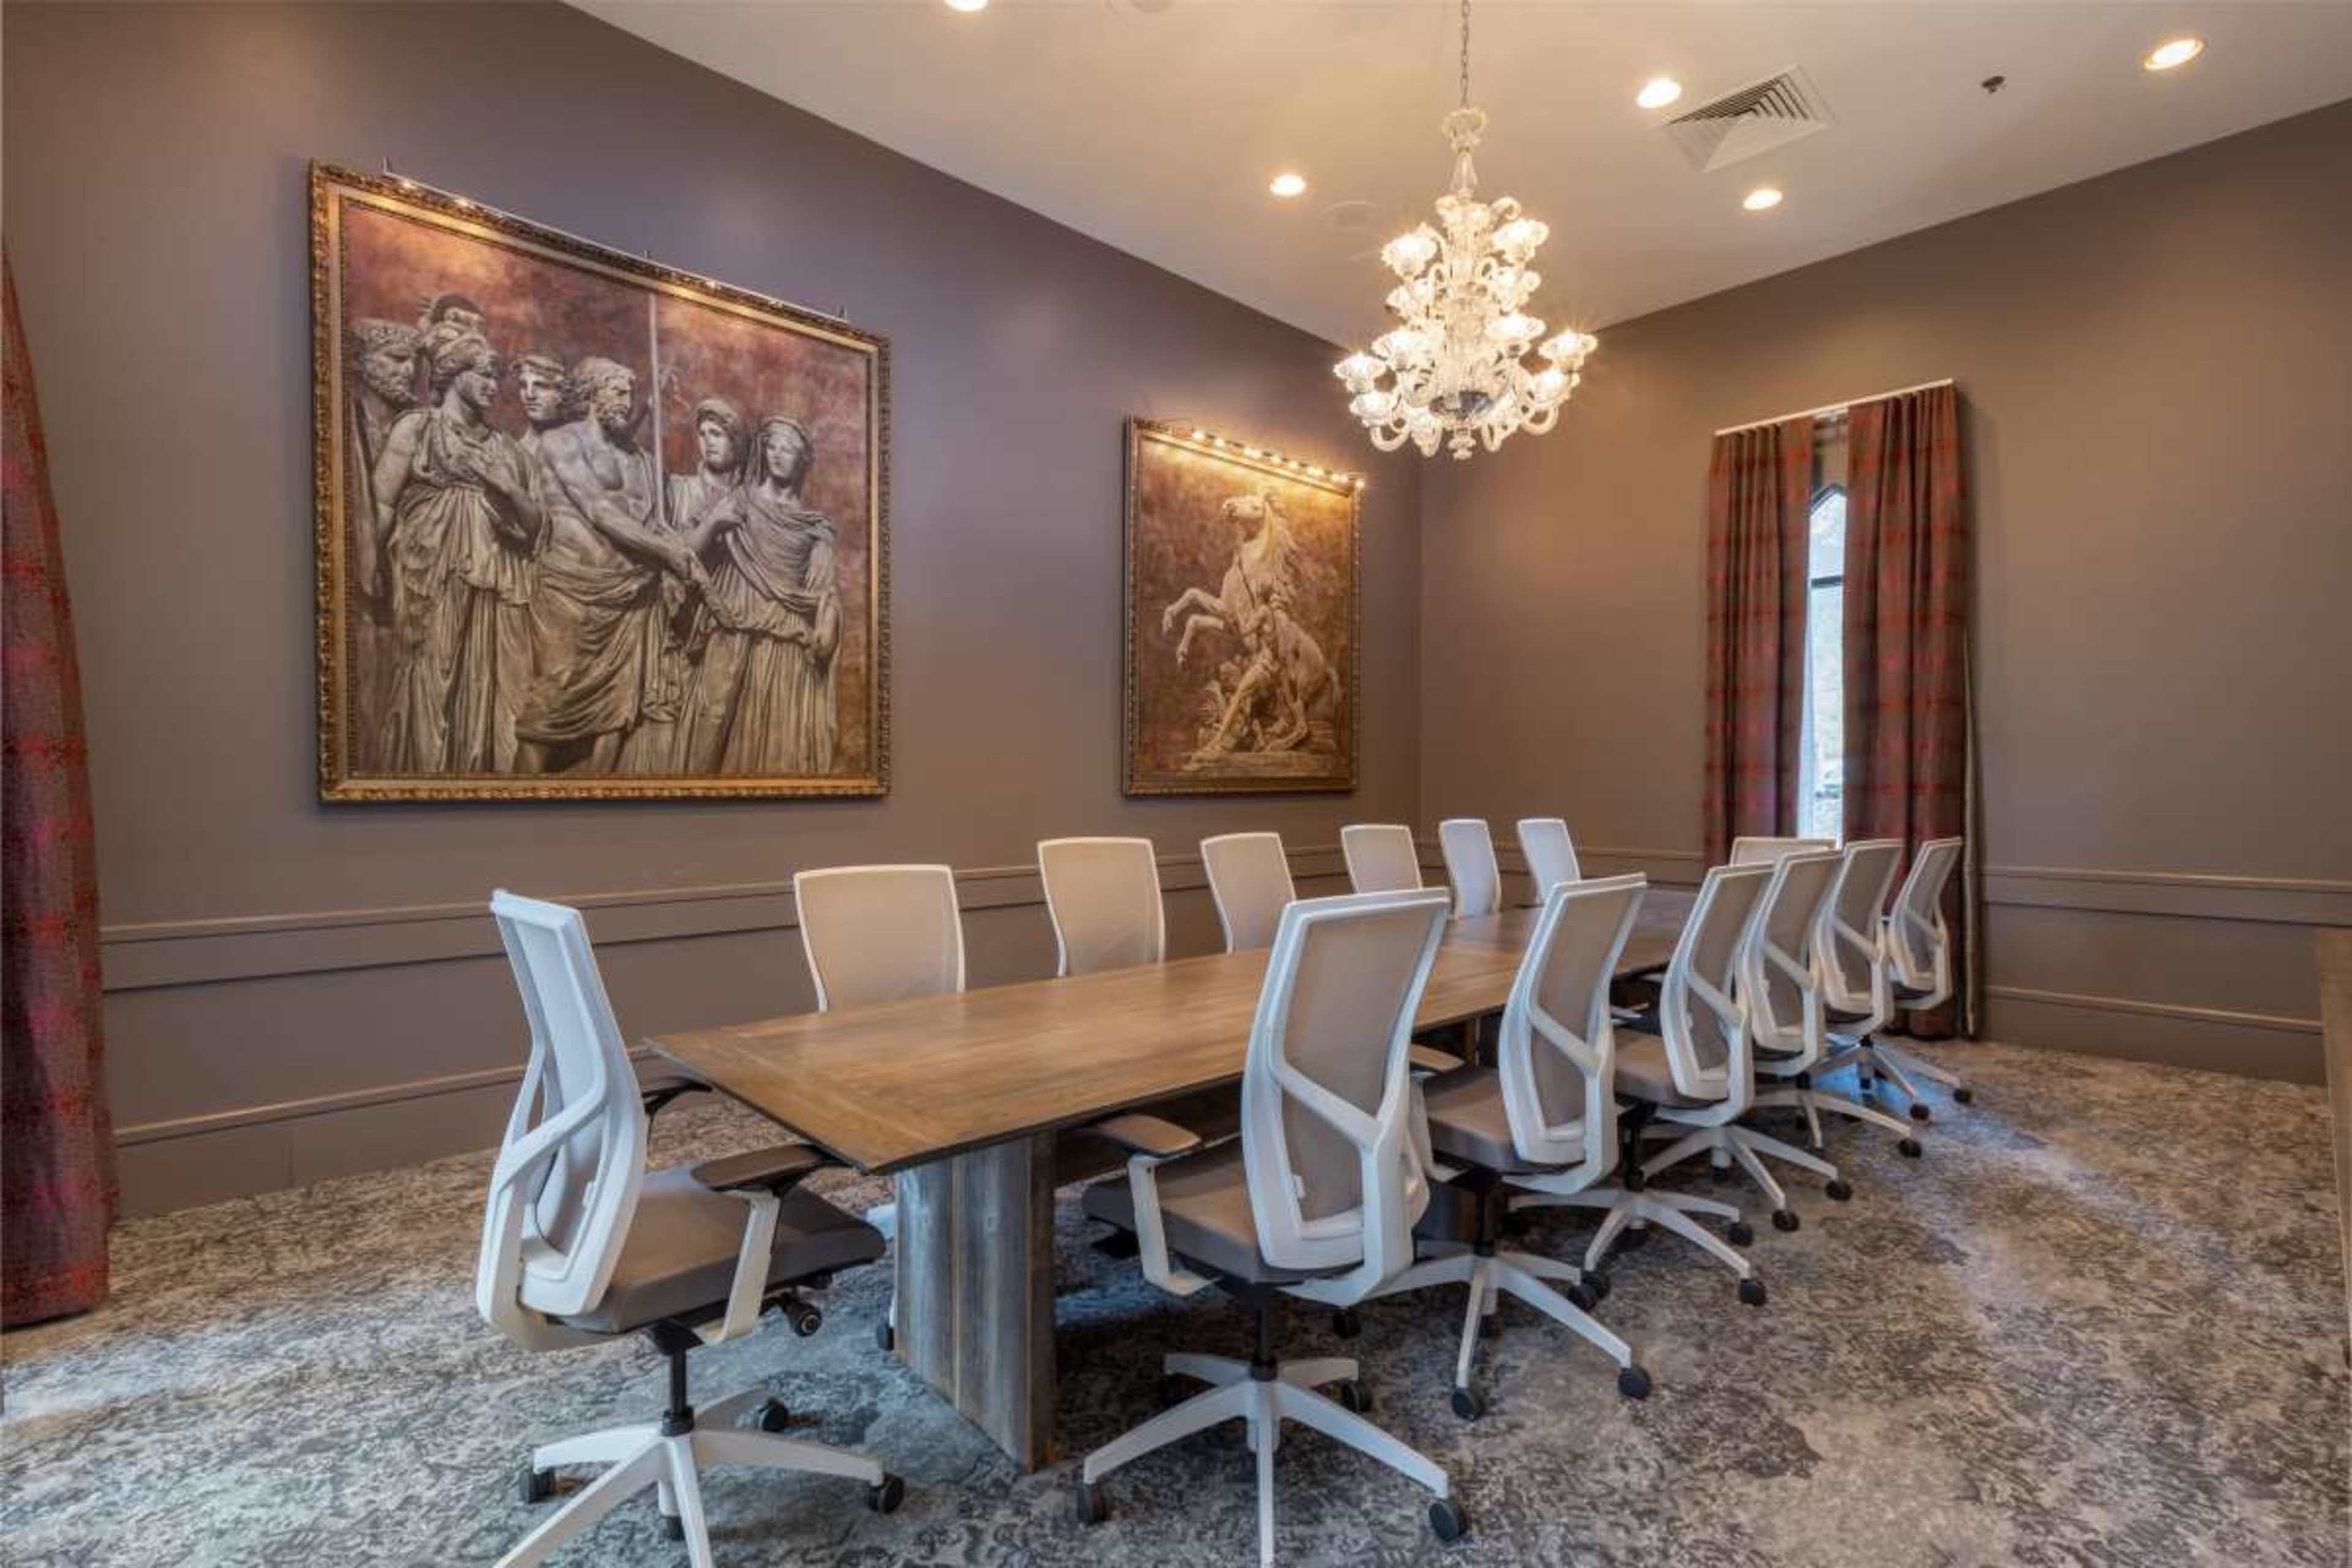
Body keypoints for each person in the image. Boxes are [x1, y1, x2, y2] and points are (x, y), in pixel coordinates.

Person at [513, 356, 703, 774]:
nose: (626, 400)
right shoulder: (562, 442)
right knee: (552, 697)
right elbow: (598, 510)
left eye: (630, 393)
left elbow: (650, 520)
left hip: (629, 594)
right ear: (592, 393)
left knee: (618, 708)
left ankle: (600, 795)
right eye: (618, 391)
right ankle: (517, 797)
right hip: (572, 588)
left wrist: (674, 548)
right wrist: (665, 551)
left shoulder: (639, 457)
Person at [369, 326, 545, 773]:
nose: (493, 386)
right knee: (434, 674)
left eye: (496, 377)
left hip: (497, 579)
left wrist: (511, 491)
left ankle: (482, 779)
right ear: (454, 372)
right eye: (485, 374)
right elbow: (381, 503)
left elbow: (537, 527)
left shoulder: (505, 448)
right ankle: (427, 776)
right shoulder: (418, 427)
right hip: (432, 572)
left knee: (490, 682)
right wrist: (370, 569)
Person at [676, 415, 841, 775]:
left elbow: (825, 589)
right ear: (763, 451)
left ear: (803, 459)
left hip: (783, 641)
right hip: (731, 627)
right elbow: (684, 555)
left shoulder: (813, 526)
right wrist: (714, 523)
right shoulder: (739, 502)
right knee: (710, 729)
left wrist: (827, 625)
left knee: (773, 743)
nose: (778, 454)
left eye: (789, 448)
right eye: (772, 445)